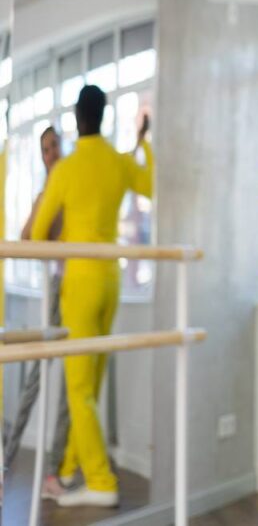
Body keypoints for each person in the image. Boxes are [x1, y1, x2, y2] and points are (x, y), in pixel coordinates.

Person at [31, 86, 153, 508]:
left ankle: (99, 481)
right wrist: (144, 145)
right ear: (102, 115)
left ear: (77, 119)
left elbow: (37, 234)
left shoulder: (66, 170)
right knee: (91, 384)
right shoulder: (117, 162)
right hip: (110, 280)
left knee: (79, 388)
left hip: (80, 282)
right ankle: (65, 471)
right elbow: (153, 186)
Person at [5, 126, 72, 499]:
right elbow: (27, 235)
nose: (51, 153)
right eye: (45, 149)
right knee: (38, 374)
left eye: (55, 145)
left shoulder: (71, 184)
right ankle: (8, 460)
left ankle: (55, 471)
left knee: (70, 383)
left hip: (78, 287)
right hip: (58, 290)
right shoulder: (47, 193)